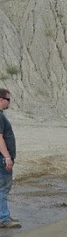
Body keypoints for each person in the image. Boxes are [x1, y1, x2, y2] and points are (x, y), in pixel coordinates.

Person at [0, 88, 20, 229]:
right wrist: (7, 157)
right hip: (2, 159)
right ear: (1, 99)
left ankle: (3, 214)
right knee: (3, 188)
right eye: (8, 100)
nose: (9, 103)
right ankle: (4, 218)